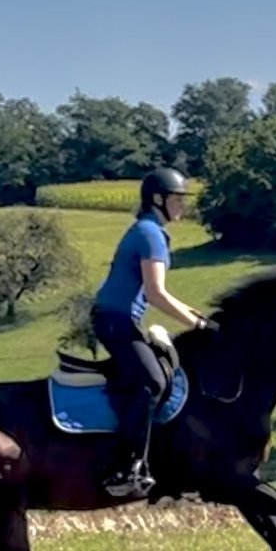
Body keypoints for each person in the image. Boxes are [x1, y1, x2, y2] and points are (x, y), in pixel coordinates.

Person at [91, 167, 219, 497]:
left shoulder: (148, 230)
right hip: (115, 321)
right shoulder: (150, 235)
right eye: (177, 199)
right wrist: (198, 326)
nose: (182, 206)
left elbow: (159, 293)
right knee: (153, 381)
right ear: (158, 200)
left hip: (119, 320)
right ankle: (125, 468)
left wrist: (199, 317)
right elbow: (156, 293)